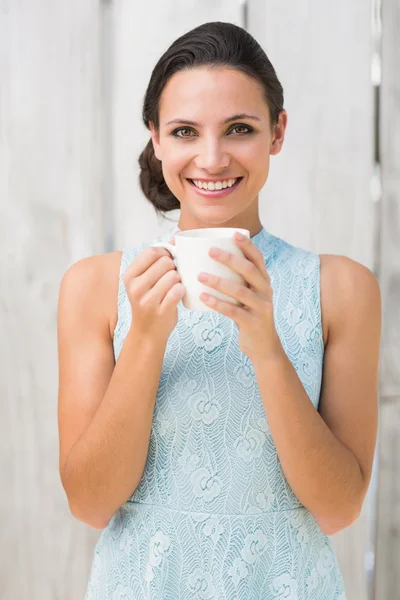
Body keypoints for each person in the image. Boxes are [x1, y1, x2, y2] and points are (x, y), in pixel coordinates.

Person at [57, 21, 381, 600]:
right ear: (156, 138)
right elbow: (89, 503)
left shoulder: (342, 288)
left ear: (277, 132)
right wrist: (147, 341)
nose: (212, 158)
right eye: (184, 130)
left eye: (239, 128)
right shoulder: (95, 287)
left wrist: (268, 351)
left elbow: (338, 510)